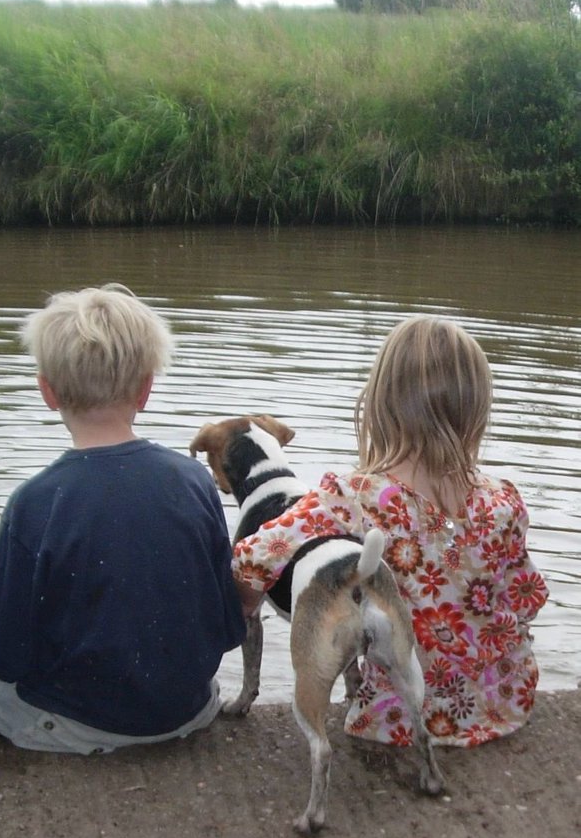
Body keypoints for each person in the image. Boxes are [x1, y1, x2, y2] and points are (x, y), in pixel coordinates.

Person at [233, 315, 549, 748]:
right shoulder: (504, 498)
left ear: (379, 404)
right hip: (505, 701)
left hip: (400, 718)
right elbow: (526, 598)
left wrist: (246, 606)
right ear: (477, 410)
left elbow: (253, 558)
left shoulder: (356, 494)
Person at [0, 283, 246, 754]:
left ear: (47, 391)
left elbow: (1, 655)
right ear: (146, 388)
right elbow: (224, 625)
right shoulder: (195, 482)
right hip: (191, 710)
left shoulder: (34, 503)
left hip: (79, 724)